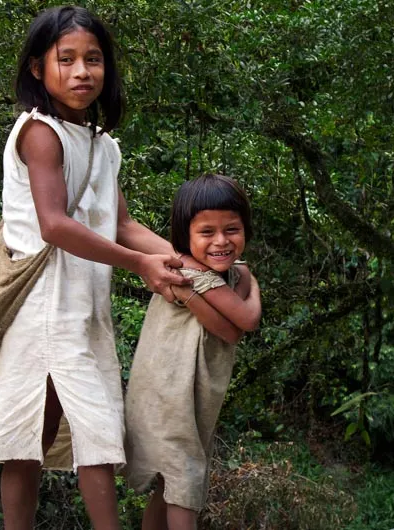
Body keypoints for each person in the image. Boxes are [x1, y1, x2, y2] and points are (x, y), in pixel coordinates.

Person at [0, 6, 189, 530]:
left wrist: (187, 263)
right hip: (43, 308)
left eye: (92, 59)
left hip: (83, 309)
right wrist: (141, 264)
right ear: (36, 68)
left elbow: (121, 223)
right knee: (86, 432)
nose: (81, 72)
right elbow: (54, 225)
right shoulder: (39, 133)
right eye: (65, 59)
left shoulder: (102, 146)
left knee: (36, 432)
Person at [124, 174, 262, 530]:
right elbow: (243, 322)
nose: (221, 241)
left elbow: (230, 327)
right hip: (170, 398)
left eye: (232, 229)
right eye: (206, 232)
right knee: (184, 480)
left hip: (182, 397)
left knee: (168, 483)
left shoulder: (224, 275)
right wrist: (254, 282)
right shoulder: (190, 273)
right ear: (184, 236)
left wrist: (243, 276)